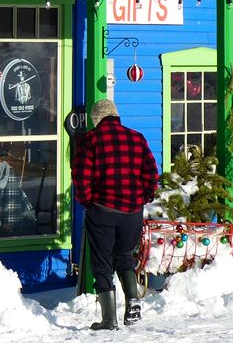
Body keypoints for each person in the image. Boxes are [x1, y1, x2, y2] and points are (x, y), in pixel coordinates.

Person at [71, 98, 159, 330]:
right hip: (132, 211)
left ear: (96, 119)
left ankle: (109, 319)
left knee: (102, 263)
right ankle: (132, 301)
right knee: (124, 256)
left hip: (103, 210)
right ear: (116, 115)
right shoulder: (137, 138)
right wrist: (144, 198)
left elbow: (81, 177)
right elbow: (151, 173)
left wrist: (87, 202)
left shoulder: (90, 140)